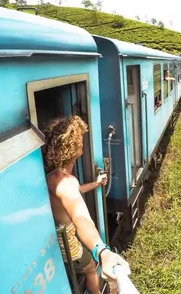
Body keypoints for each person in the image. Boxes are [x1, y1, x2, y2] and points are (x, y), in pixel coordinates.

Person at [42, 116, 130, 294]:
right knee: (90, 267)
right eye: (80, 139)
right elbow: (80, 217)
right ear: (72, 146)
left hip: (61, 239)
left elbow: (74, 192)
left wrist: (95, 184)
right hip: (68, 245)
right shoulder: (65, 181)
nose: (83, 143)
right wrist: (102, 250)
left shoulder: (55, 176)